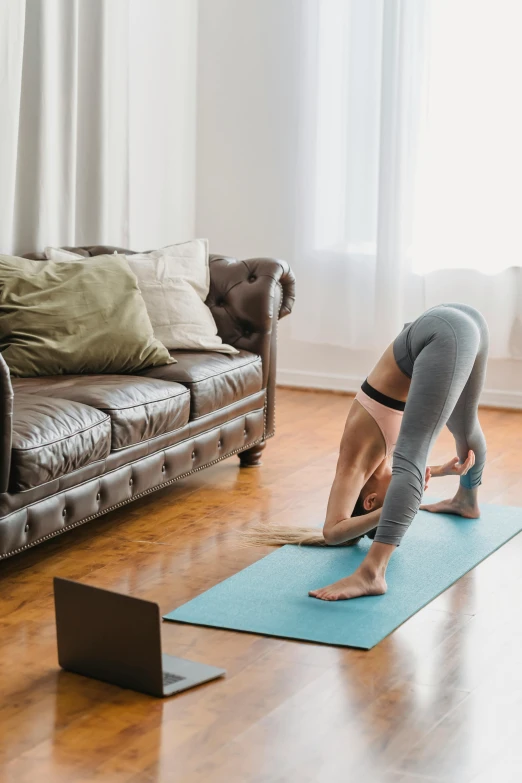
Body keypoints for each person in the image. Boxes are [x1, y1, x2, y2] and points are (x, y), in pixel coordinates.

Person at [245, 303, 489, 601]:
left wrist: (391, 513)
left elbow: (332, 532)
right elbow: (403, 472)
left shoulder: (354, 466)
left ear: (371, 499)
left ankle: (372, 573)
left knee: (411, 457)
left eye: (394, 501)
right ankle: (467, 500)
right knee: (465, 426)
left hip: (442, 332)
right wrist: (441, 471)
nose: (409, 497)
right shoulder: (378, 462)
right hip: (461, 322)